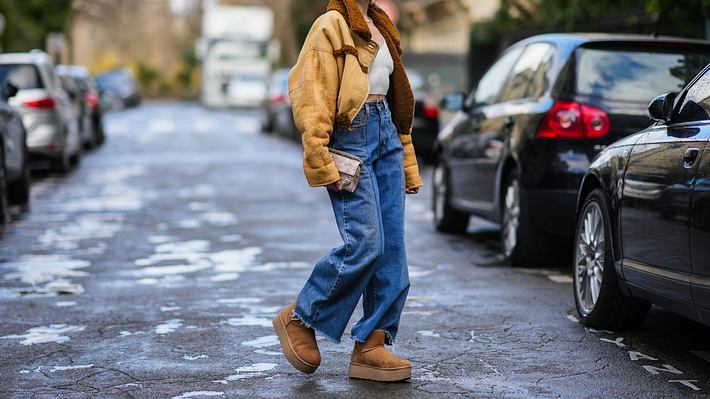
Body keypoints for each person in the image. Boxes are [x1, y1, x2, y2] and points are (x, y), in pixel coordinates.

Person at [272, 0, 423, 382]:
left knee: (392, 249)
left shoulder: (381, 25)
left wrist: (406, 161)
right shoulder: (330, 25)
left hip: (386, 134)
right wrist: (320, 156)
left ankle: (372, 344)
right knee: (366, 243)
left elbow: (396, 100)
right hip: (349, 137)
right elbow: (312, 95)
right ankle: (301, 316)